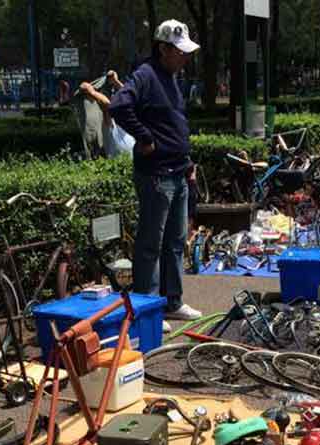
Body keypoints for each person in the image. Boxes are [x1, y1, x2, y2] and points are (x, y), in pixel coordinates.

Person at [109, 19, 204, 325]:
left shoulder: (171, 78)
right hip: (156, 175)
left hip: (177, 172)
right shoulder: (146, 75)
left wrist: (187, 162)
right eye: (180, 51)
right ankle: (147, 309)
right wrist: (145, 137)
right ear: (163, 49)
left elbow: (174, 123)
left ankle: (171, 302)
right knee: (151, 245)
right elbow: (119, 105)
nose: (185, 57)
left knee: (175, 243)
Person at [80, 71, 135, 158]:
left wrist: (92, 92)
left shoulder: (112, 122)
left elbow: (107, 104)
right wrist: (115, 81)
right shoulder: (129, 118)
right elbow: (127, 98)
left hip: (122, 164)